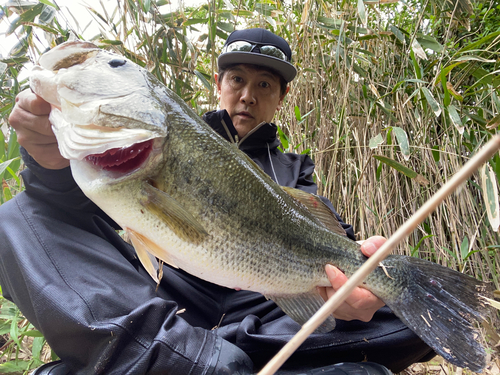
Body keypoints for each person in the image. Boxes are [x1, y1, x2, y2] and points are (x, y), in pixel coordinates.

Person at [0, 28, 434, 374]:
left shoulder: (298, 168)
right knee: (16, 221)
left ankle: (186, 360)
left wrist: (355, 291)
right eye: (237, 79)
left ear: (281, 98)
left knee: (410, 320)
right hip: (164, 301)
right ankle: (220, 359)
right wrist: (48, 164)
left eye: (264, 84)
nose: (248, 95)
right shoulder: (162, 134)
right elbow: (68, 211)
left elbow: (325, 239)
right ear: (219, 83)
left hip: (264, 308)